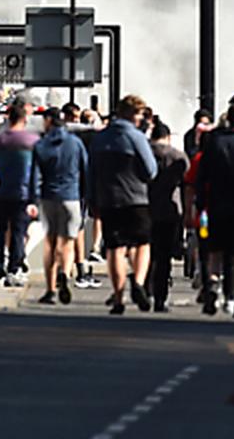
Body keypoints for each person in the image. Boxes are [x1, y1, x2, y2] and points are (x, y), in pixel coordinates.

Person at [89, 95, 158, 315]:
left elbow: (91, 171)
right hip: (136, 198)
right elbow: (150, 170)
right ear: (132, 114)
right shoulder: (136, 137)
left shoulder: (100, 138)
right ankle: (137, 281)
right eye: (138, 114)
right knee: (142, 244)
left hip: (109, 200)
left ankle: (118, 299)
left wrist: (92, 198)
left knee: (114, 249)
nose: (140, 119)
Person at [196, 104, 234, 319]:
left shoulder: (214, 144)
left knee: (215, 251)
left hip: (216, 204)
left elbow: (202, 176)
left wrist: (201, 202)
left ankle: (212, 285)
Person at [32, 106, 89, 306]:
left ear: (48, 120)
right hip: (71, 196)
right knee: (67, 242)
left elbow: (35, 176)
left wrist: (33, 199)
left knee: (50, 242)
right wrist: (84, 198)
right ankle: (65, 272)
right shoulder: (76, 143)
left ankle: (50, 289)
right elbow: (85, 170)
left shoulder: (41, 145)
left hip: (49, 197)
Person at [0, 100, 39, 288]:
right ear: (24, 119)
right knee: (18, 232)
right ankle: (14, 267)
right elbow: (35, 172)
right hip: (22, 193)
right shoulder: (31, 141)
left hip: (0, 191)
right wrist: (35, 198)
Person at [147, 122, 187, 312]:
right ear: (168, 137)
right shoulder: (177, 156)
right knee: (164, 257)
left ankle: (144, 286)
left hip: (146, 208)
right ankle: (160, 297)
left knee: (146, 253)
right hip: (171, 211)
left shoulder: (144, 153)